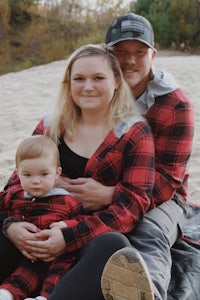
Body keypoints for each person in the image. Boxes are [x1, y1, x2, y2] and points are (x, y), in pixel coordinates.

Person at [45, 13, 194, 300]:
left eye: (139, 52)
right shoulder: (96, 89)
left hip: (161, 196)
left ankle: (147, 293)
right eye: (120, 52)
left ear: (153, 54)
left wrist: (113, 195)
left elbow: (167, 179)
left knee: (147, 234)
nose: (130, 60)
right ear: (107, 54)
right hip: (99, 184)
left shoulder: (175, 105)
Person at [0, 44, 155, 300]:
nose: (88, 87)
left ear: (116, 81)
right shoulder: (52, 124)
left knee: (114, 246)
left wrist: (69, 237)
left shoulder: (135, 132)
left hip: (85, 238)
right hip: (30, 234)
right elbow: (15, 184)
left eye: (98, 78)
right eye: (79, 79)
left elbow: (133, 204)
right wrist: (11, 227)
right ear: (68, 83)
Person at [0, 134, 92, 300]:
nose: (35, 181)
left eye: (43, 174)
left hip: (60, 254)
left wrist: (67, 224)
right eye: (27, 175)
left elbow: (85, 221)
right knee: (22, 275)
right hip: (30, 254)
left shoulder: (67, 200)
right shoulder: (15, 195)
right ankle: (7, 294)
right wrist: (10, 222)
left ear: (57, 173)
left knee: (58, 276)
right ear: (17, 173)